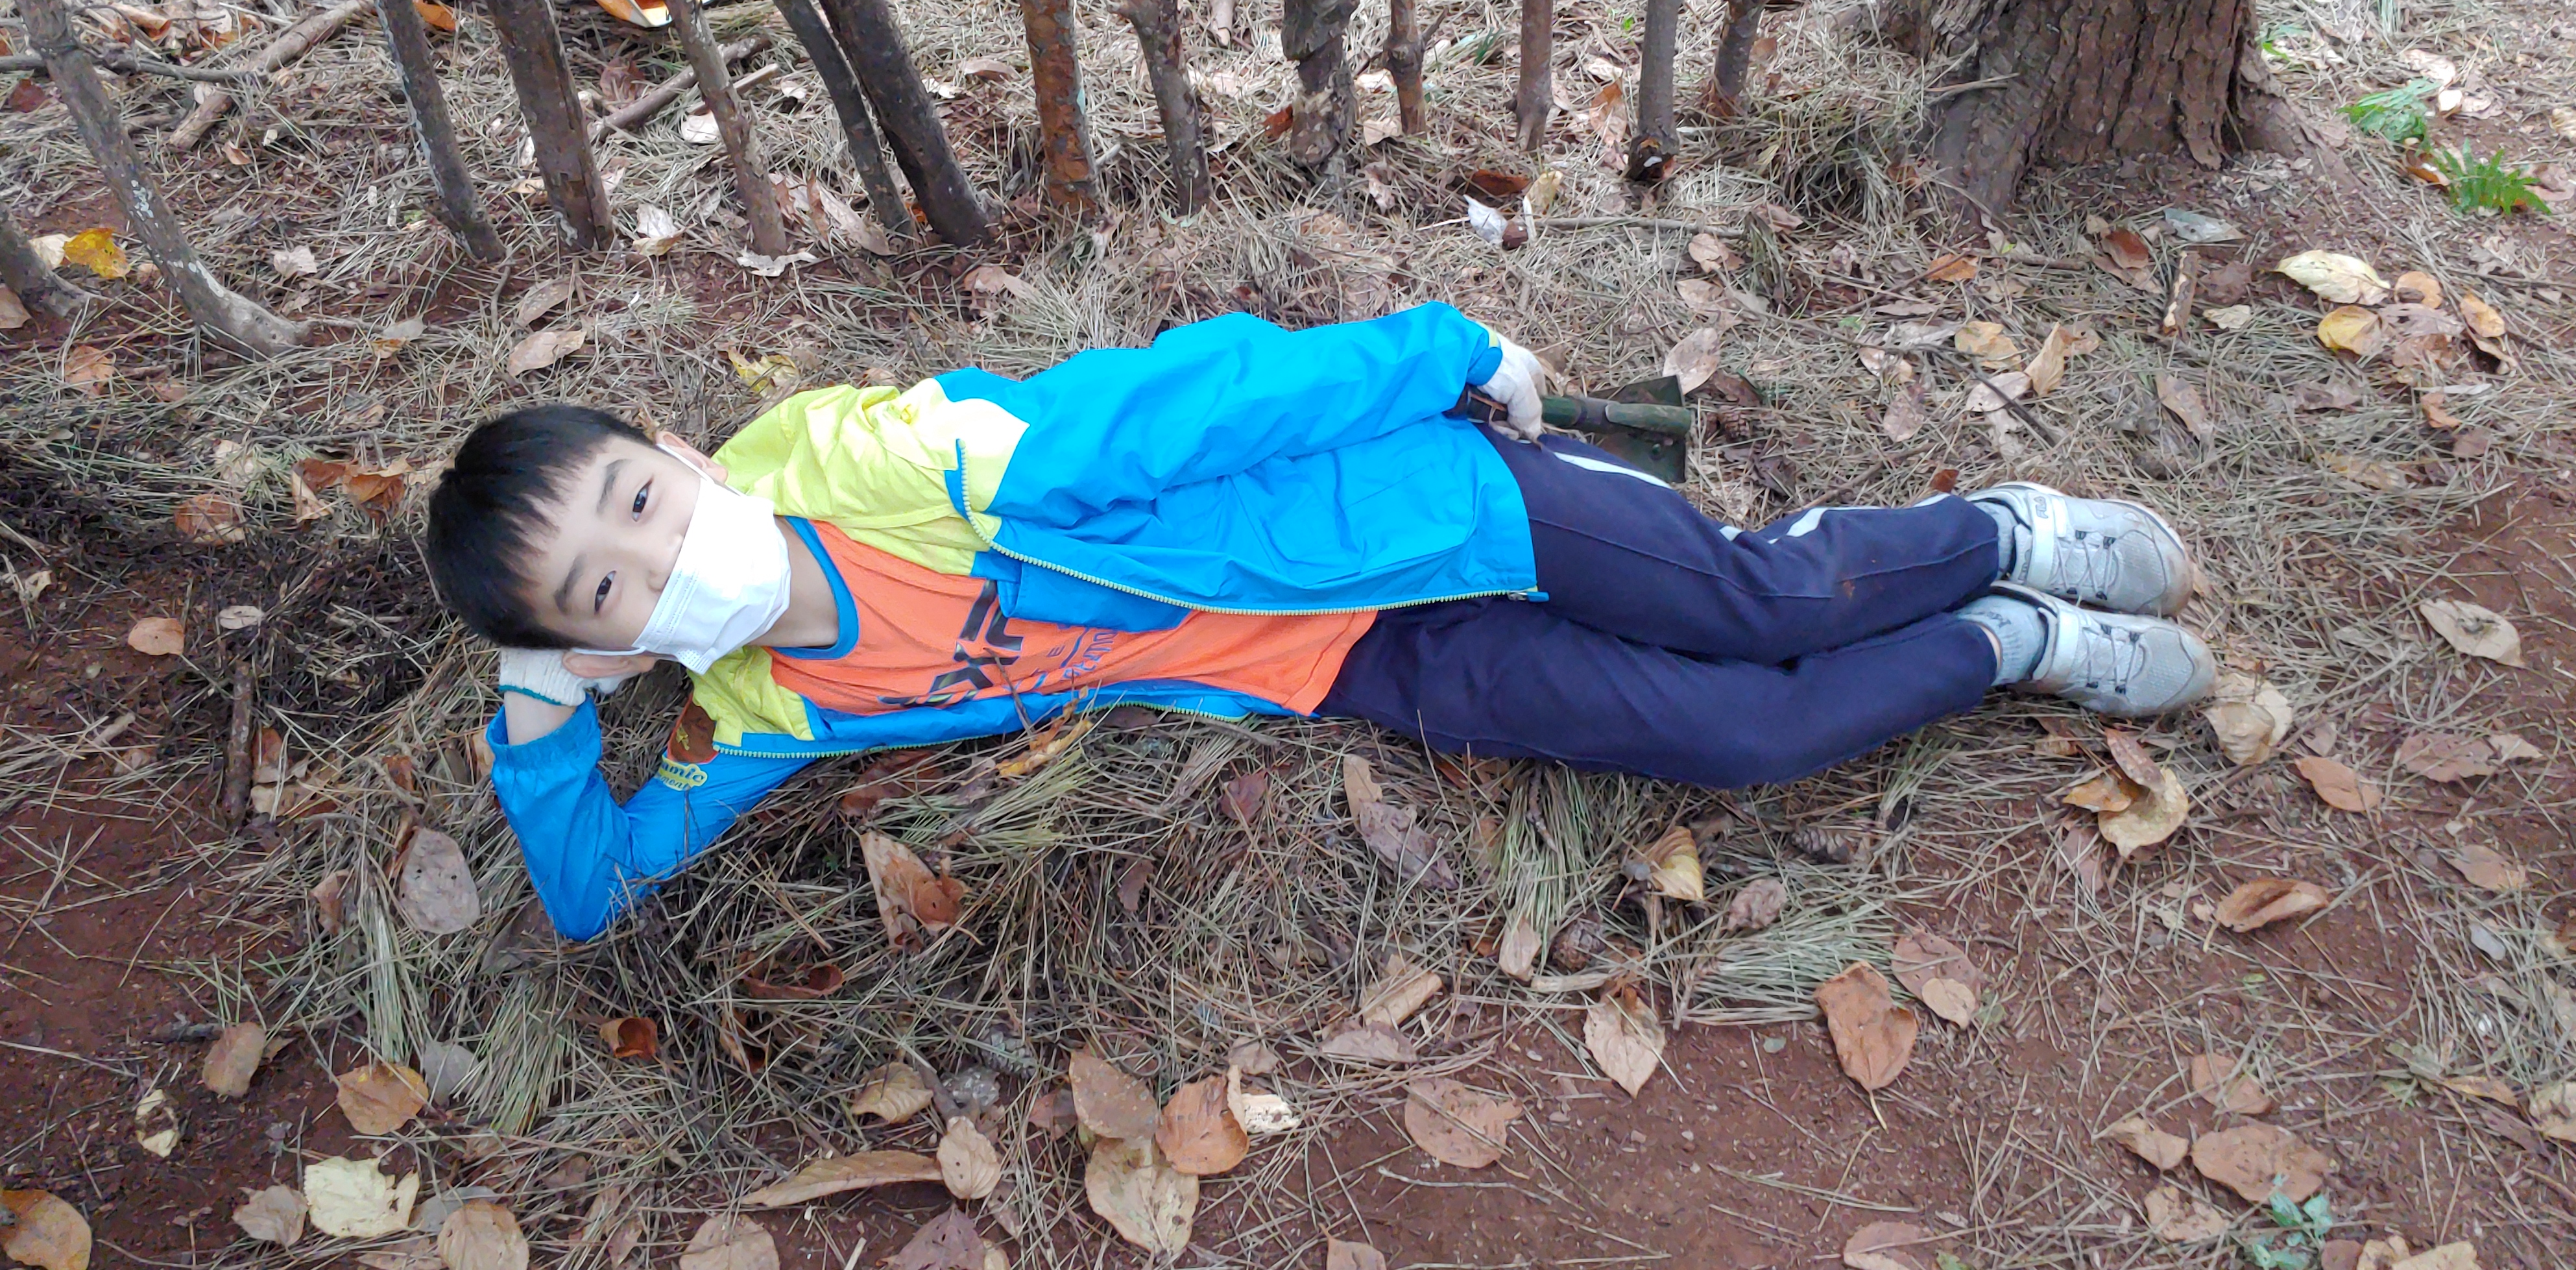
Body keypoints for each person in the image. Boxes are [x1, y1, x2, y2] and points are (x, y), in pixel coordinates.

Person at [424, 304, 2215, 940]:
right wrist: (540, 707)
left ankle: (2001, 529)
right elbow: (598, 887)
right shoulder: (768, 710)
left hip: (1434, 502)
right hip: (1357, 658)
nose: (663, 558)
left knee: (1762, 602)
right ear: (614, 647)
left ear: (680, 455)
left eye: (642, 504)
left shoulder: (910, 462)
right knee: (1743, 735)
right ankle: (2014, 642)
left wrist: (1446, 351)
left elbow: (1202, 399)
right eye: (609, 592)